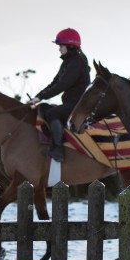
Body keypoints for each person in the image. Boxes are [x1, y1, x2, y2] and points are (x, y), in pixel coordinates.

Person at [28, 28, 89, 162]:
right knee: (43, 108)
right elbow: (54, 82)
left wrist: (40, 97)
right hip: (70, 103)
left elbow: (62, 85)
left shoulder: (77, 62)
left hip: (78, 105)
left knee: (52, 114)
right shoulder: (67, 62)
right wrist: (37, 98)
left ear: (70, 46)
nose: (59, 49)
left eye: (61, 46)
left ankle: (58, 148)